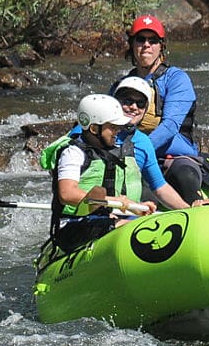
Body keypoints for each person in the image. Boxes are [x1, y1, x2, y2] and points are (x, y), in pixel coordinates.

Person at [41, 94, 159, 252]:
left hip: (103, 221)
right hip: (73, 227)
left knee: (151, 220)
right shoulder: (73, 153)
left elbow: (106, 203)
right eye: (113, 127)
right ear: (94, 128)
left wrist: (135, 207)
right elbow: (67, 193)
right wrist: (115, 200)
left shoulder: (109, 153)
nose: (118, 131)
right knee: (137, 227)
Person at [118, 13, 204, 203]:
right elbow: (104, 123)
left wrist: (136, 152)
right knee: (139, 190)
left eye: (153, 40)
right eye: (141, 39)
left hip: (174, 156)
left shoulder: (176, 79)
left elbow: (170, 126)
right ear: (132, 45)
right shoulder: (122, 85)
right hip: (133, 156)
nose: (146, 45)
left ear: (161, 46)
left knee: (186, 177)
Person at [111, 76, 190, 210]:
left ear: (146, 109)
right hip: (96, 215)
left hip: (128, 215)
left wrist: (190, 211)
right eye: (128, 101)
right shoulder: (93, 133)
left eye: (140, 103)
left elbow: (160, 187)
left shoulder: (143, 142)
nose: (134, 107)